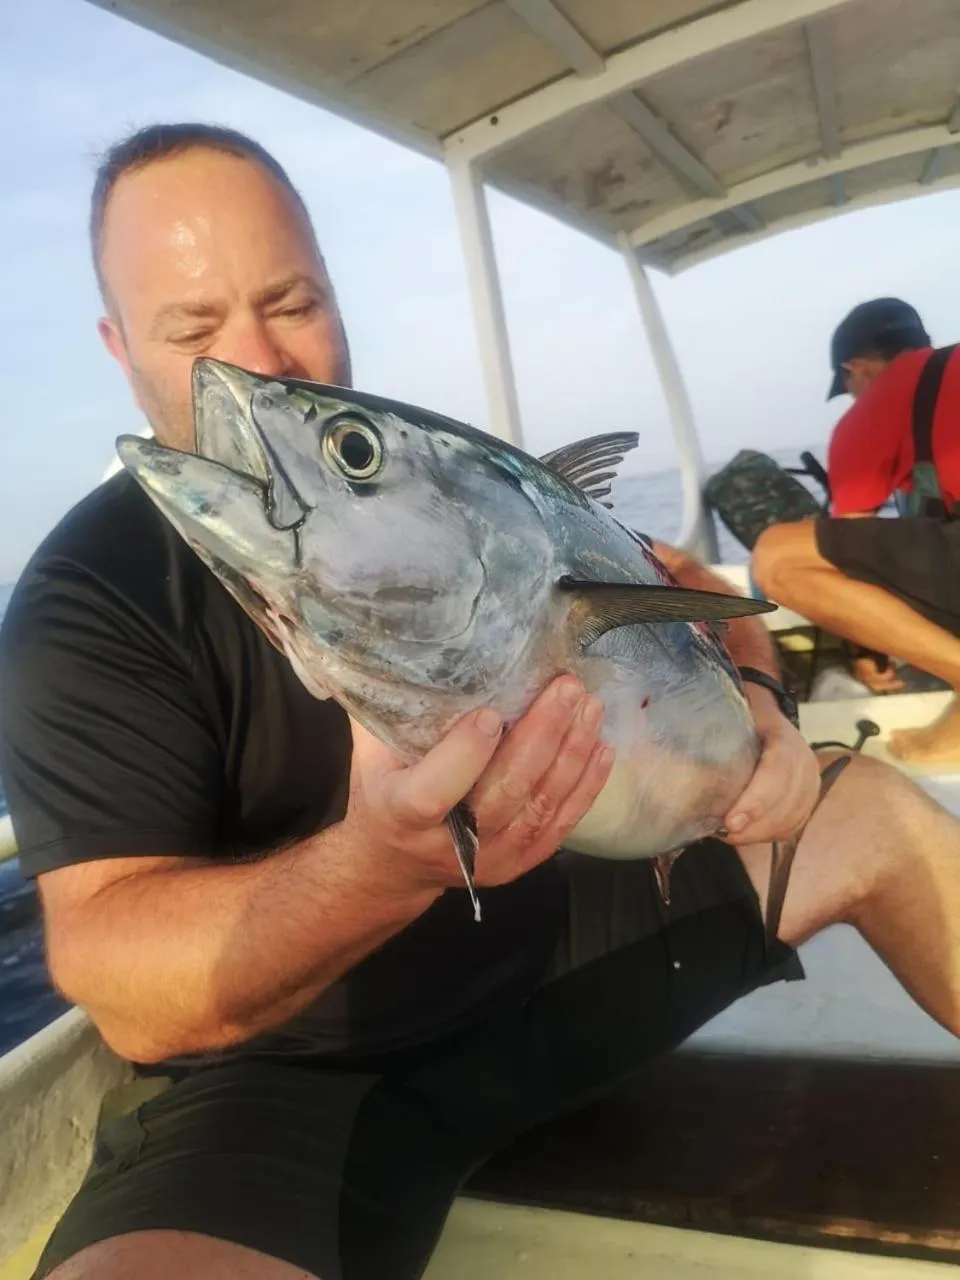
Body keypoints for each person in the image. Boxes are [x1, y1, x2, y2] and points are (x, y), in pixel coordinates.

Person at [1, 126, 959, 1280]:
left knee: (879, 813)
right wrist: (380, 865)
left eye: (292, 303)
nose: (255, 365)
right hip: (295, 1083)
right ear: (118, 345)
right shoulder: (90, 597)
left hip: (570, 948)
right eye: (193, 330)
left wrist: (761, 705)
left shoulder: (454, 481)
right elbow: (122, 978)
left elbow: (692, 585)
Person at [753, 297, 960, 763]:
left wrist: (865, 651)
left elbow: (847, 553)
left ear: (856, 370)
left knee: (777, 557)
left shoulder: (876, 406)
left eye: (848, 388)